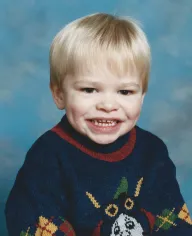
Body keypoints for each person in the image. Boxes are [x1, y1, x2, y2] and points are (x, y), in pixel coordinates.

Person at [5, 13, 192, 236]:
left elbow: (173, 224)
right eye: (89, 89)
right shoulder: (47, 158)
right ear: (59, 94)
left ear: (142, 96)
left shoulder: (152, 152)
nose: (107, 104)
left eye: (125, 91)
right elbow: (32, 222)